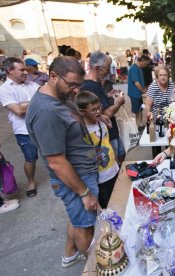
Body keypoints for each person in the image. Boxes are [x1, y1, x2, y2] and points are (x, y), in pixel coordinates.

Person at [26, 56, 99, 267]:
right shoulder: (46, 111)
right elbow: (57, 162)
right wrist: (84, 192)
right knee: (85, 226)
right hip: (76, 179)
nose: (76, 90)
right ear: (53, 76)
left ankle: (70, 254)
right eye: (72, 84)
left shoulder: (58, 96)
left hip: (81, 174)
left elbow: (71, 123)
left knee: (78, 220)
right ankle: (94, 267)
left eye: (79, 85)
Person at [0, 57, 39, 197]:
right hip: (24, 131)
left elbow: (46, 100)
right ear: (10, 71)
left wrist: (24, 104)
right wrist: (35, 102)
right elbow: (18, 111)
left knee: (52, 154)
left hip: (41, 127)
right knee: (31, 158)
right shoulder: (4, 90)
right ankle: (31, 182)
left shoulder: (32, 85)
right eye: (21, 69)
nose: (26, 72)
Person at [75, 91, 119, 208]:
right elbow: (82, 155)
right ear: (82, 112)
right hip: (101, 177)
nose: (99, 111)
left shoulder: (101, 121)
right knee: (108, 207)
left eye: (99, 107)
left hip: (113, 169)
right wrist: (94, 155)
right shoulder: (82, 131)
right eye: (93, 110)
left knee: (119, 200)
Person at [81, 51, 126, 164]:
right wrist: (118, 103)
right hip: (107, 135)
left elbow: (98, 104)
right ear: (96, 67)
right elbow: (107, 113)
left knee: (121, 156)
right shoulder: (91, 86)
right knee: (115, 162)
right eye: (106, 69)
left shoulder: (93, 84)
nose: (107, 73)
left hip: (110, 132)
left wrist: (107, 95)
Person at [127, 54, 151, 131]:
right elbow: (137, 83)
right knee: (135, 111)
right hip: (135, 93)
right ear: (142, 61)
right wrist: (144, 91)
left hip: (138, 93)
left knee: (139, 110)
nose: (146, 65)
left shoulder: (139, 68)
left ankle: (139, 124)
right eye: (146, 63)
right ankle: (134, 127)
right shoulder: (134, 69)